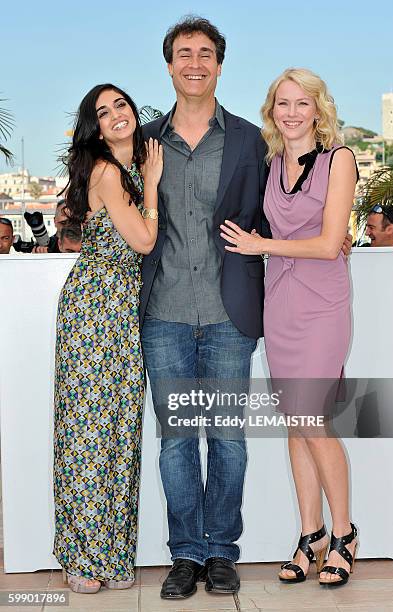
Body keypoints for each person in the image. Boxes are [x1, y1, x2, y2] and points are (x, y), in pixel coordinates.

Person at [140, 16, 268, 599]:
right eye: (184, 53)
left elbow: (271, 212)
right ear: (169, 64)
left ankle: (222, 550)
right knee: (175, 442)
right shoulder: (145, 140)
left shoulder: (246, 139)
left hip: (227, 313)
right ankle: (184, 555)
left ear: (219, 64)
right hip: (164, 312)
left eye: (206, 53)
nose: (195, 62)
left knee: (229, 441)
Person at [221, 68, 358, 587]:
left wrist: (263, 245)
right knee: (295, 425)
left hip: (322, 304)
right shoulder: (272, 161)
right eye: (284, 103)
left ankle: (344, 536)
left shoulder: (338, 159)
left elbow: (327, 244)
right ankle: (311, 536)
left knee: (314, 421)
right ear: (272, 110)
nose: (293, 112)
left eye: (303, 103)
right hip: (280, 302)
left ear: (318, 109)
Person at [53, 83, 162, 594]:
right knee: (86, 435)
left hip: (123, 309)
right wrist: (155, 187)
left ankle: (114, 555)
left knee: (120, 430)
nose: (116, 115)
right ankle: (81, 556)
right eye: (104, 111)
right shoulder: (106, 172)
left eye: (122, 105)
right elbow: (142, 240)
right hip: (93, 307)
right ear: (94, 126)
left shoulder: (136, 165)